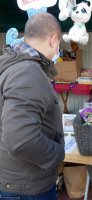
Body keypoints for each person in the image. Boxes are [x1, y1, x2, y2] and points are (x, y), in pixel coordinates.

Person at [0, 13, 65, 199]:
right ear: (53, 39)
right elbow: (21, 139)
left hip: (15, 178)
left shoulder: (14, 63)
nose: (58, 48)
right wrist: (57, 154)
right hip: (26, 186)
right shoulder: (27, 72)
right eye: (59, 42)